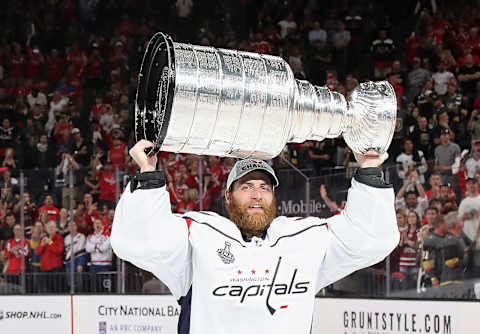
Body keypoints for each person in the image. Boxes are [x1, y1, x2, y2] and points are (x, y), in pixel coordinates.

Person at [111, 140, 399, 334]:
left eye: (264, 186)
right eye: (246, 186)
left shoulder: (303, 239)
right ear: (228, 196)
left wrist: (369, 172)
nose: (257, 195)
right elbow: (137, 241)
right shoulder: (198, 237)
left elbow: (370, 240)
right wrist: (148, 174)